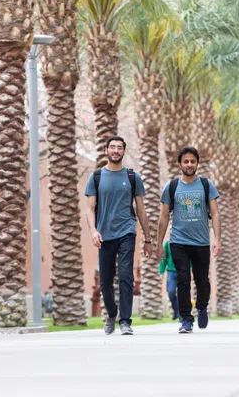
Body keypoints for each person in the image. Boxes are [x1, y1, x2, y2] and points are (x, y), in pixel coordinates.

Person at [86, 136, 152, 335]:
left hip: (127, 232)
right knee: (105, 280)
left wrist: (148, 239)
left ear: (124, 151)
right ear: (106, 150)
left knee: (126, 276)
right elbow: (89, 209)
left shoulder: (133, 178)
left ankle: (125, 321)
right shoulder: (96, 177)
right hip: (104, 235)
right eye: (112, 147)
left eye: (119, 148)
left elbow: (141, 210)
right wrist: (93, 231)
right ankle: (112, 313)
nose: (115, 151)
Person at [155, 146, 222, 334]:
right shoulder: (172, 186)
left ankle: (201, 307)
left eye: (193, 161)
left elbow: (215, 214)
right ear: (180, 164)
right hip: (178, 242)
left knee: (202, 282)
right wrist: (160, 243)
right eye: (186, 161)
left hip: (201, 242)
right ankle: (185, 319)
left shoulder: (207, 185)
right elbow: (163, 217)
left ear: (197, 163)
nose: (189, 164)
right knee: (182, 280)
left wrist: (217, 239)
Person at [159, 239, 180, 320]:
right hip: (171, 272)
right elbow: (163, 258)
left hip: (183, 271)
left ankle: (180, 314)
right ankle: (176, 310)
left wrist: (191, 270)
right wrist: (161, 271)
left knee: (182, 293)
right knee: (171, 292)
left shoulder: (184, 241)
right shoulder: (167, 244)